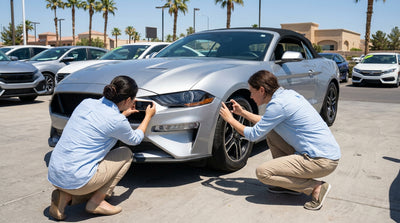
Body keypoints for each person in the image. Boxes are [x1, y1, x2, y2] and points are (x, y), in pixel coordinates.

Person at [219, 70, 340, 210]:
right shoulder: (287, 95)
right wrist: (242, 113)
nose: (250, 96)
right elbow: (267, 123)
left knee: (263, 173)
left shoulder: (277, 105)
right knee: (271, 132)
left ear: (262, 90)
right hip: (325, 155)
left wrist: (230, 119)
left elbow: (253, 135)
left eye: (252, 91)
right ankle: (289, 185)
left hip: (320, 161)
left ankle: (316, 188)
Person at [47, 75, 156, 220]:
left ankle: (66, 196)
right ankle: (96, 202)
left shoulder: (86, 103)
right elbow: (135, 139)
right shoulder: (117, 120)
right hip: (77, 179)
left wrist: (123, 114)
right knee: (125, 154)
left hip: (55, 174)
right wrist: (148, 116)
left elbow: (103, 122)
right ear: (129, 100)